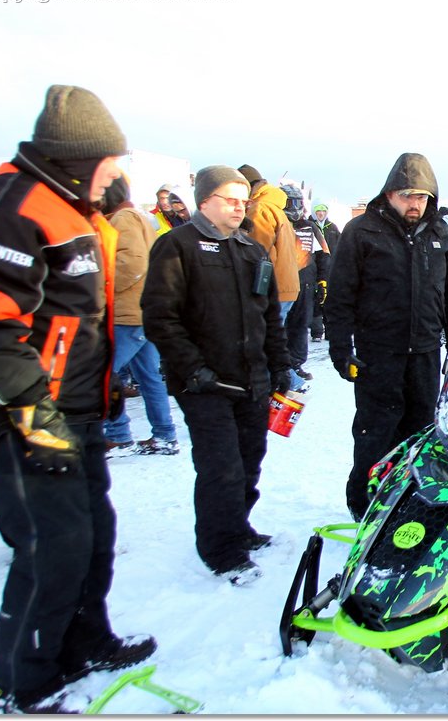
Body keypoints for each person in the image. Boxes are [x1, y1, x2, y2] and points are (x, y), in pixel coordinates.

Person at [0, 84, 157, 713]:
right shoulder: (9, 206)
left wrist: (105, 390)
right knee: (50, 547)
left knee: (93, 536)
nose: (116, 173)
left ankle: (84, 641)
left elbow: (78, 319)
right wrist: (34, 415)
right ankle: (16, 682)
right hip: (24, 414)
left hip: (77, 409)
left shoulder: (79, 210)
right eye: (110, 161)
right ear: (77, 158)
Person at [142, 165, 292, 585]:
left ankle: (238, 526)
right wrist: (194, 369)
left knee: (248, 459)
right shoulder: (177, 246)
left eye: (243, 200)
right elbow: (160, 317)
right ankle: (220, 548)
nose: (239, 208)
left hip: (251, 378)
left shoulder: (251, 250)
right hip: (204, 383)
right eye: (230, 199)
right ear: (204, 201)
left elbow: (269, 315)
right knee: (220, 466)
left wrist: (279, 364)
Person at [326, 153, 448, 519]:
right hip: (378, 354)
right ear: (389, 193)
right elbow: (340, 296)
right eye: (407, 195)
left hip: (425, 352)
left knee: (420, 433)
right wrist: (340, 348)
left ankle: (411, 501)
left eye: (421, 196)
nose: (415, 203)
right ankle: (364, 504)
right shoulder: (361, 232)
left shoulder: (440, 232)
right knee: (376, 432)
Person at [102, 175, 179, 455]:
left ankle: (118, 434)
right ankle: (164, 435)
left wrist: (104, 289)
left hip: (129, 313)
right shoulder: (139, 218)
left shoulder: (122, 219)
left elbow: (133, 264)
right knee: (149, 377)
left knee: (101, 374)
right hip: (143, 311)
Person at [281, 184, 327, 384]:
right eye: (290, 203)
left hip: (306, 284)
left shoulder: (309, 227)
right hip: (282, 286)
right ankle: (282, 366)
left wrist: (323, 280)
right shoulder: (278, 224)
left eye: (297, 203)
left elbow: (323, 255)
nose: (294, 207)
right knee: (281, 327)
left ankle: (296, 364)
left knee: (300, 326)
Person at [243, 164, 301, 321]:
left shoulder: (259, 209)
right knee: (276, 331)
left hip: (271, 288)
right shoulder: (276, 208)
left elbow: (258, 252)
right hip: (287, 285)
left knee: (263, 332)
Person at [310, 202, 340, 342]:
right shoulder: (309, 226)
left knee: (329, 299)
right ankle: (316, 332)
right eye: (318, 211)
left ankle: (330, 331)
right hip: (313, 268)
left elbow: (340, 246)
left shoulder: (332, 228)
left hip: (330, 269)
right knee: (316, 300)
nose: (321, 213)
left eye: (323, 210)